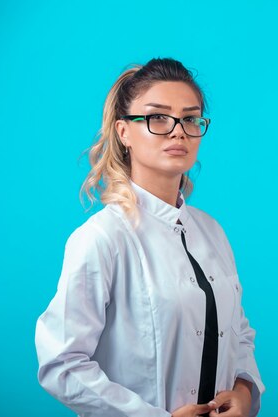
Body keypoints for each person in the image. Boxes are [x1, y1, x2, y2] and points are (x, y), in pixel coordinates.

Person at [35, 57, 264, 417]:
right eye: (158, 117)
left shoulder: (212, 231)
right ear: (123, 131)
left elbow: (239, 332)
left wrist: (244, 390)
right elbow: (61, 363)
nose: (178, 131)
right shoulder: (102, 238)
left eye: (190, 118)